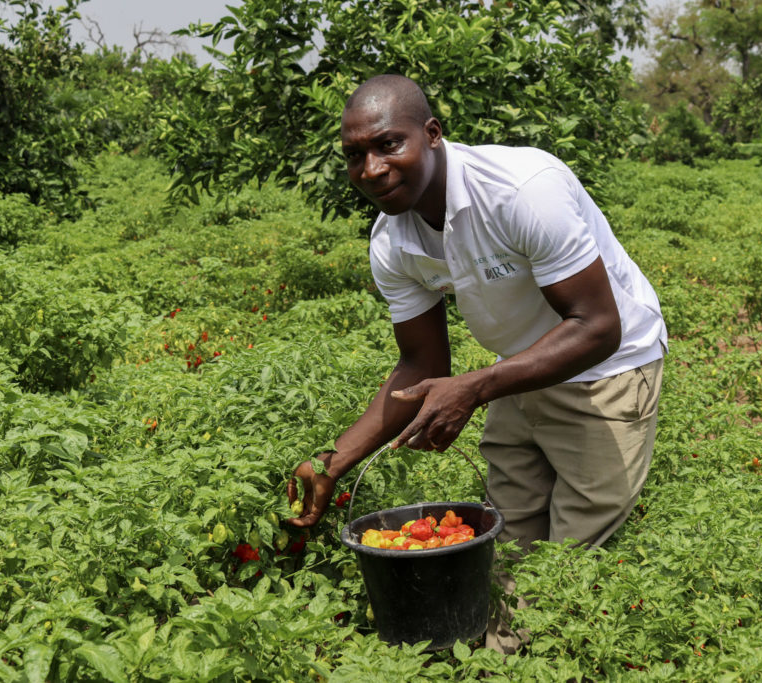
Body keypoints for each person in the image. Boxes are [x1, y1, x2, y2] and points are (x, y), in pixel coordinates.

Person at [286, 74, 667, 652]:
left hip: (607, 372)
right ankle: (498, 659)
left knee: (569, 560)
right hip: (515, 372)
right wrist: (333, 462)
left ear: (433, 134)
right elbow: (421, 362)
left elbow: (597, 328)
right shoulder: (393, 240)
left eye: (389, 144)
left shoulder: (521, 190)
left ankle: (537, 659)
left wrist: (474, 387)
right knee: (507, 549)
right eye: (354, 155)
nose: (371, 169)